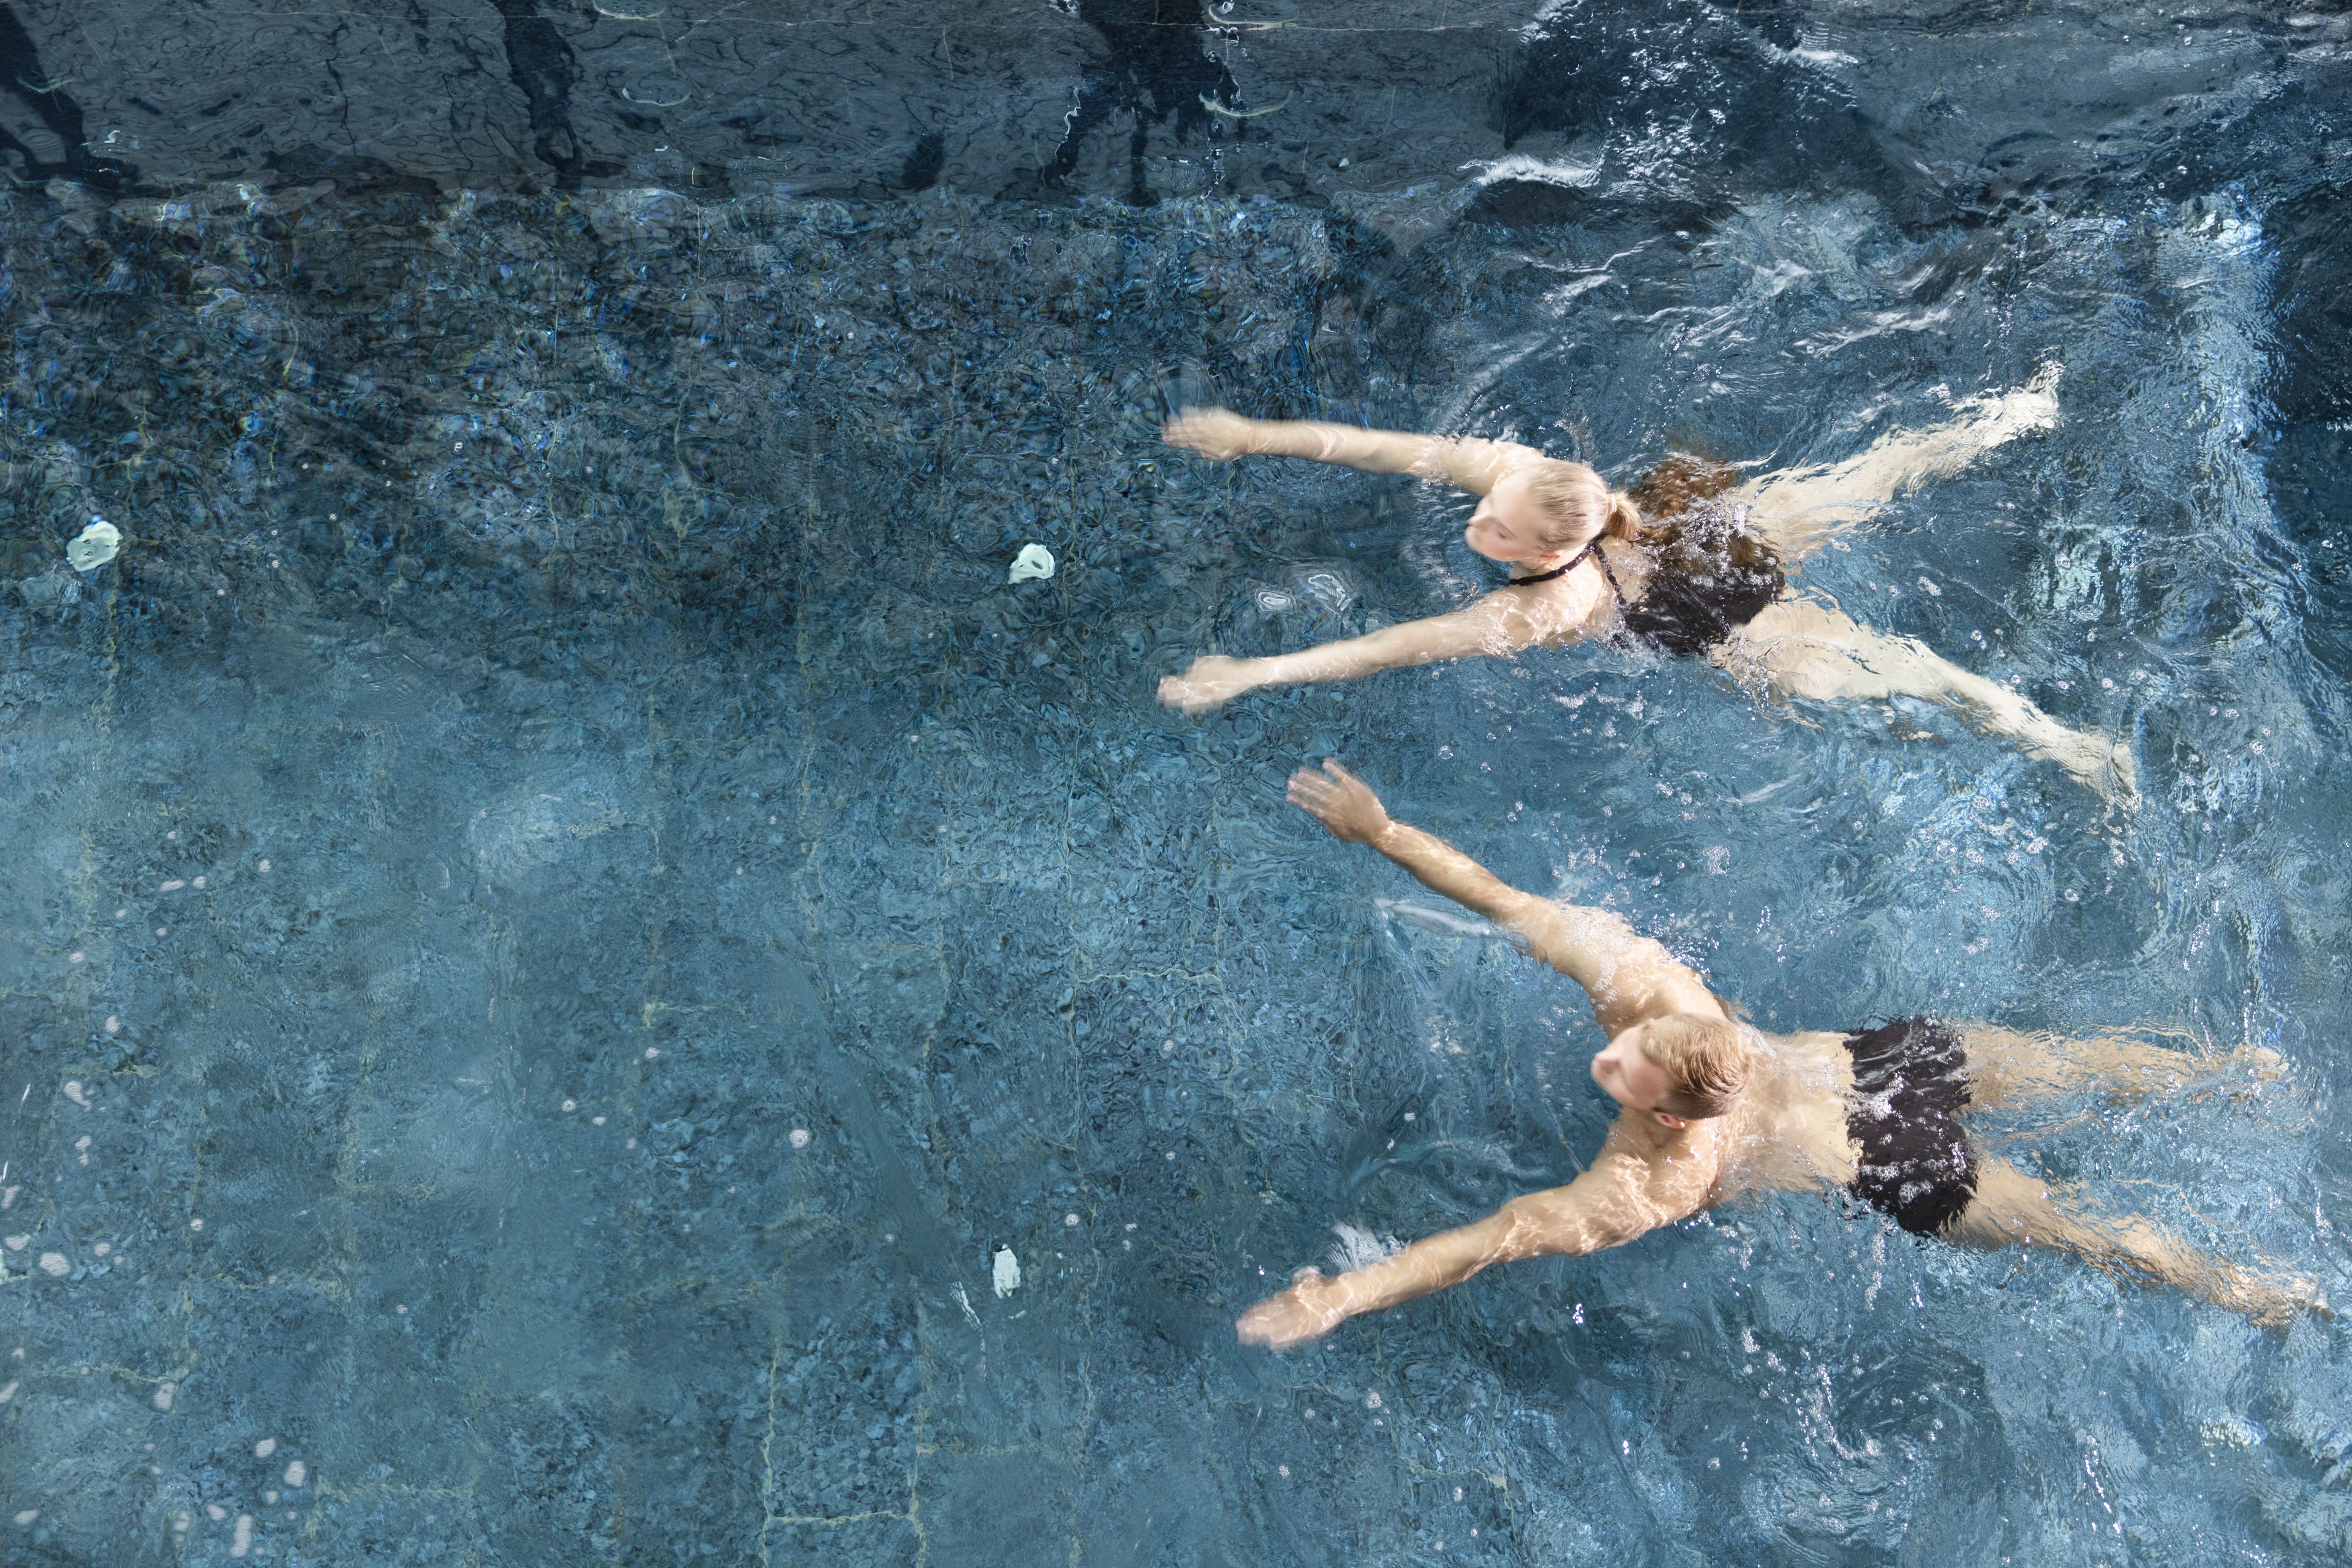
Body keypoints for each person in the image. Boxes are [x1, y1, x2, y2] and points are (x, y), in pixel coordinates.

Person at [1234, 760, 2318, 1349]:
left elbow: (1495, 1237)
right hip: (1893, 1064)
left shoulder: (1657, 1177)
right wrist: (1381, 832)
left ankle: (2262, 1288)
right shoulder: (1653, 992)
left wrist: (1345, 1298)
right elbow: (1499, 898)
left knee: (2084, 1231)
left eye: (1627, 1073)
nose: (1611, 1058)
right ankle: (2235, 1080)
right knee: (2084, 1070)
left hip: (1901, 1168)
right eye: (1630, 1044)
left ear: (1670, 1118)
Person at [1158, 372, 2135, 804]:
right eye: (1485, 506)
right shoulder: (1527, 475)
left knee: (1915, 678)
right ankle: (2013, 418)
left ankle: (2071, 747)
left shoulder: (1544, 609)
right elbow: (1378, 449)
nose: (1478, 524)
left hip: (1730, 625)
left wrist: (1250, 673)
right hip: (1717, 537)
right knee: (1869, 479)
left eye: (1496, 530)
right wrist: (1251, 435)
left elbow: (1390, 647)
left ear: (1546, 549)